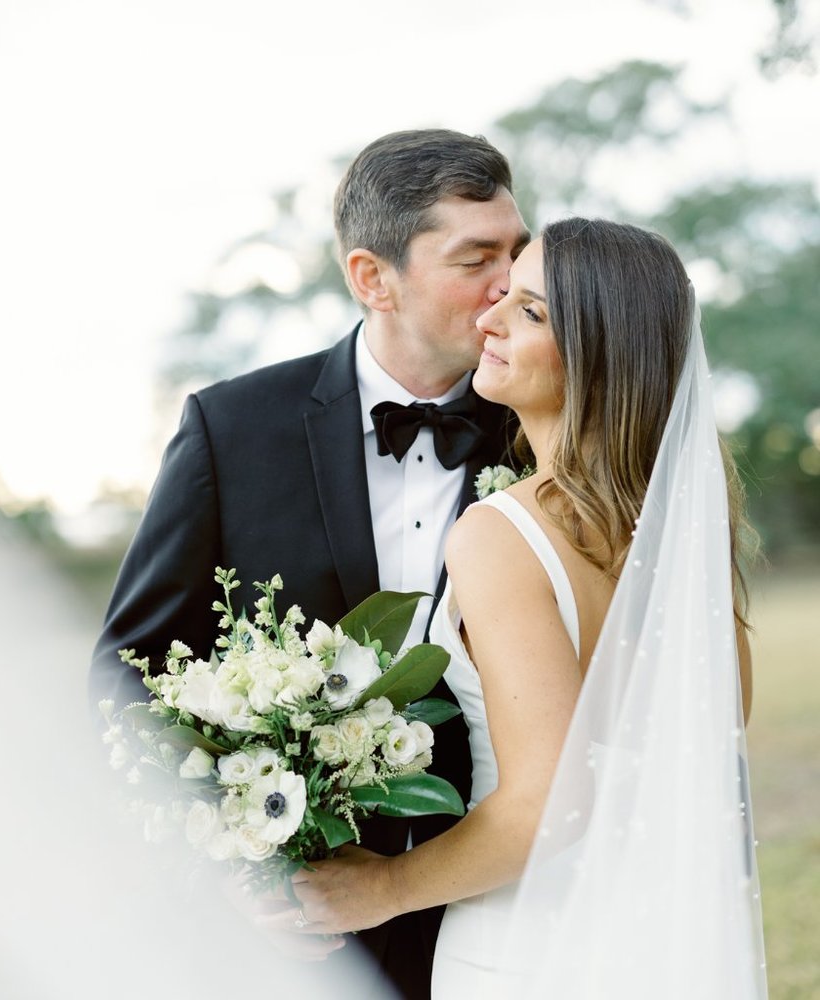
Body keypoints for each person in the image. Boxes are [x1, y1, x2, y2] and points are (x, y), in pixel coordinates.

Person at [90, 129, 531, 998]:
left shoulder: (543, 428)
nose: (509, 285)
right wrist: (228, 865)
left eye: (516, 252)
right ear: (373, 277)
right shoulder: (234, 429)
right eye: (476, 258)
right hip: (292, 934)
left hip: (503, 905)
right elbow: (126, 674)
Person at [288, 219, 768, 999]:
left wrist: (383, 888)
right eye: (504, 296)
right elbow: (714, 743)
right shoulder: (682, 536)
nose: (490, 318)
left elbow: (550, 802)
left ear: (601, 354)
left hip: (532, 946)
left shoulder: (501, 535)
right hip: (661, 942)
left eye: (531, 312)